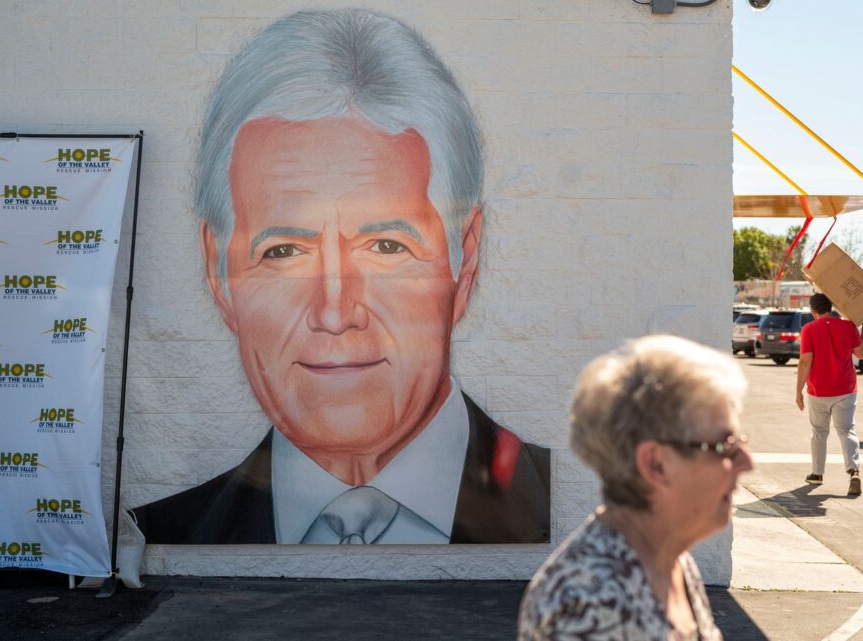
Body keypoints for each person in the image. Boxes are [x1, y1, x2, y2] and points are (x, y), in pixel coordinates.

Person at [132, 9, 550, 545]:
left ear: (464, 261)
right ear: (219, 273)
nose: (334, 312)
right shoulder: (159, 536)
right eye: (283, 251)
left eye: (387, 246)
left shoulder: (590, 517)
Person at [519, 335, 752, 641]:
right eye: (725, 446)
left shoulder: (669, 559)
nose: (747, 462)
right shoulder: (590, 603)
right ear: (656, 464)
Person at [794, 293, 863, 496]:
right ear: (831, 306)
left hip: (818, 391)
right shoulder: (848, 326)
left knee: (819, 432)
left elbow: (805, 362)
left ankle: (817, 473)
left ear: (813, 310)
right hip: (845, 390)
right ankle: (854, 472)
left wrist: (798, 391)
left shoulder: (809, 329)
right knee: (847, 430)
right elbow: (862, 354)